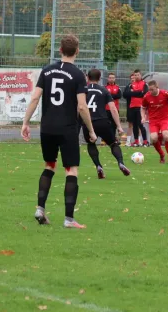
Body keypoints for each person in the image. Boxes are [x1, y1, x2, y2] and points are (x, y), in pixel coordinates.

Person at [21, 34, 96, 230]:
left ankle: (40, 208)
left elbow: (35, 98)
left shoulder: (46, 71)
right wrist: (91, 130)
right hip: (67, 129)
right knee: (71, 170)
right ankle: (69, 219)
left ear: (60, 50)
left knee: (49, 166)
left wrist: (25, 122)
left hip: (47, 128)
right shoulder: (79, 75)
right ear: (77, 51)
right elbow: (81, 107)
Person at [84, 69, 131, 179]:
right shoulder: (104, 90)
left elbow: (78, 107)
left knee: (91, 144)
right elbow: (113, 109)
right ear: (100, 78)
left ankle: (98, 166)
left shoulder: (82, 91)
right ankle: (120, 163)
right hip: (102, 122)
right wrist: (119, 126)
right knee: (113, 143)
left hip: (88, 122)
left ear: (87, 78)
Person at [141, 80, 168, 164]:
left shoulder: (165, 94)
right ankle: (162, 155)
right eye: (149, 90)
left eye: (152, 89)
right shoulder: (146, 96)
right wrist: (143, 117)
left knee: (166, 136)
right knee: (153, 138)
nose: (150, 91)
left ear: (157, 87)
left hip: (164, 119)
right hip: (153, 120)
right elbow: (143, 107)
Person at [124, 69, 149, 147]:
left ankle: (145, 141)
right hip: (132, 106)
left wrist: (133, 93)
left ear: (141, 75)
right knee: (134, 125)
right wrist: (138, 92)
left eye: (138, 75)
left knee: (140, 124)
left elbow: (144, 94)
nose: (136, 76)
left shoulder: (144, 84)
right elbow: (126, 94)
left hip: (141, 107)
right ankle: (136, 141)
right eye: (135, 75)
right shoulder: (131, 84)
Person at [105, 73, 122, 140]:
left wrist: (109, 96)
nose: (111, 79)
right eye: (110, 77)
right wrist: (112, 96)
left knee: (114, 124)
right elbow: (105, 96)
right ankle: (107, 138)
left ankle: (113, 138)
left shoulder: (118, 88)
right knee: (107, 124)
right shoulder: (105, 87)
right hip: (106, 109)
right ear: (108, 78)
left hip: (115, 108)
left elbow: (119, 96)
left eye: (113, 78)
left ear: (115, 79)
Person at [123, 73, 135, 146]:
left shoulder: (140, 86)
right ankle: (128, 141)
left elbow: (142, 94)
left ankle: (138, 141)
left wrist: (133, 93)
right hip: (130, 108)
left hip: (138, 108)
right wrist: (132, 93)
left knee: (138, 125)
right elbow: (125, 94)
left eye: (134, 78)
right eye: (132, 78)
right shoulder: (128, 86)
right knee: (130, 124)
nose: (133, 79)